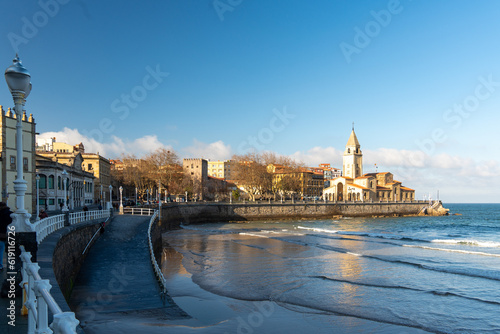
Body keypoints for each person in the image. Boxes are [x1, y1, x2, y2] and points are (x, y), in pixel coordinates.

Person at [0, 202, 13, 271]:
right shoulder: (11, 214)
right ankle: (10, 265)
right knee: (10, 251)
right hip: (10, 234)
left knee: (0, 250)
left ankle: (0, 265)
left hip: (1, 234)